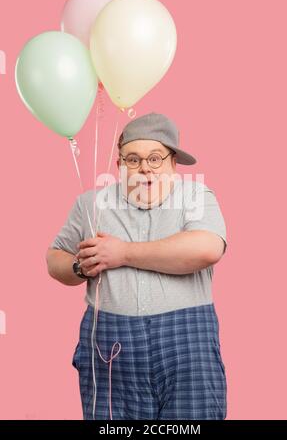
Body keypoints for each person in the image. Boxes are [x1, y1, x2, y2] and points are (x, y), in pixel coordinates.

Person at [46, 111, 228, 420]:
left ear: (173, 163)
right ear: (119, 165)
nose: (145, 168)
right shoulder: (91, 203)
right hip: (111, 341)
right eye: (132, 159)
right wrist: (80, 267)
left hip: (187, 339)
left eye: (155, 158)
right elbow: (55, 258)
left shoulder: (196, 196)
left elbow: (207, 249)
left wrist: (122, 253)